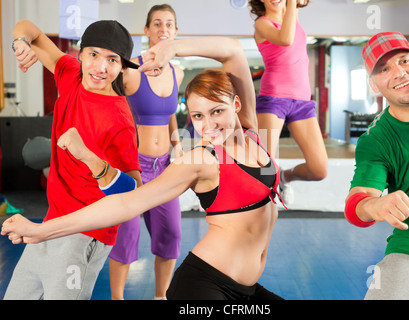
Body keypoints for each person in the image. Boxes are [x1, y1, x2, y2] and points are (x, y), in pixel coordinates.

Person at [2, 36, 286, 300]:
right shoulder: (202, 159)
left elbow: (234, 50)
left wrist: (173, 48)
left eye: (217, 111)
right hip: (206, 286)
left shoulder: (251, 133)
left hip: (247, 290)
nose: (208, 126)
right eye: (198, 116)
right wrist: (43, 230)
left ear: (236, 104)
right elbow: (127, 204)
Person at [4, 19, 142, 300]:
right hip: (48, 224)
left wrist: (89, 158)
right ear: (79, 54)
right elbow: (28, 27)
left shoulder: (120, 121)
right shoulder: (69, 73)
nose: (101, 67)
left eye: (112, 60)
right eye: (93, 54)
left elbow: (134, 193)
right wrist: (20, 43)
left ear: (122, 67)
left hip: (85, 235)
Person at [344, 31, 409, 299]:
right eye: (384, 69)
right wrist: (378, 205)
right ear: (374, 85)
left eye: (404, 61)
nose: (398, 73)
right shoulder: (376, 139)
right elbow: (357, 204)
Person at [109, 4, 184, 300]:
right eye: (157, 23)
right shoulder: (130, 71)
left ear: (176, 32)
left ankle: (160, 296)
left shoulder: (177, 72)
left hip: (166, 168)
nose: (163, 29)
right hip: (133, 166)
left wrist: (180, 147)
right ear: (147, 31)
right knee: (127, 237)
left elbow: (170, 116)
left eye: (169, 24)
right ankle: (117, 298)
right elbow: (109, 110)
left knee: (171, 236)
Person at [248, 0, 327, 204]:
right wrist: (291, 3)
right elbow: (286, 39)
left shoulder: (292, 13)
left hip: (302, 101)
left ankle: (285, 177)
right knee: (264, 169)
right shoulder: (262, 24)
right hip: (273, 98)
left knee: (319, 169)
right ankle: (259, 217)